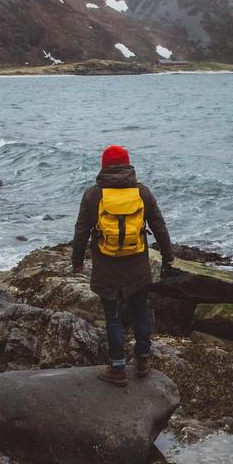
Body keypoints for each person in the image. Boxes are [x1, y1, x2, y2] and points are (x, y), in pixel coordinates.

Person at [72, 144, 176, 386]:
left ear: (103, 166)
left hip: (107, 266)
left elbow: (81, 231)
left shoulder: (93, 195)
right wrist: (168, 255)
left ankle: (117, 367)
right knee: (140, 310)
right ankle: (142, 361)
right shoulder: (142, 192)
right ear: (128, 165)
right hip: (137, 265)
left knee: (112, 316)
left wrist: (77, 261)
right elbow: (159, 225)